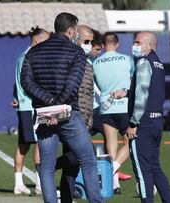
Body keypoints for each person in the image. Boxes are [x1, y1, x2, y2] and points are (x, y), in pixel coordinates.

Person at [20, 12, 104, 203]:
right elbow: (73, 85)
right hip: (68, 114)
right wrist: (57, 106)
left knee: (47, 167)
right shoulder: (76, 52)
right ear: (71, 30)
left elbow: (26, 82)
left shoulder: (33, 52)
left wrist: (48, 103)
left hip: (43, 114)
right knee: (88, 160)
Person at [126, 31, 170, 203]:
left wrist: (133, 123)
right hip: (156, 122)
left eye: (138, 42)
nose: (135, 46)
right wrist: (125, 93)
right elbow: (149, 90)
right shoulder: (158, 64)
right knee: (154, 168)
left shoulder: (143, 63)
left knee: (142, 170)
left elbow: (142, 95)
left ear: (150, 45)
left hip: (143, 123)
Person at [56, 24, 95, 203]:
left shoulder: (88, 64)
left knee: (73, 166)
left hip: (84, 120)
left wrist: (89, 120)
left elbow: (89, 95)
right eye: (86, 41)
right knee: (83, 157)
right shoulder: (71, 60)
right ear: (75, 39)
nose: (89, 45)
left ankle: (66, 198)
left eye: (91, 42)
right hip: (73, 119)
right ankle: (50, 166)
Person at [93, 32, 134, 194]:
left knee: (111, 144)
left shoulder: (96, 63)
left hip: (105, 106)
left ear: (103, 45)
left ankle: (114, 182)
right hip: (124, 106)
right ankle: (112, 171)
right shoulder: (126, 59)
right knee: (130, 144)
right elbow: (132, 80)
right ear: (117, 44)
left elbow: (97, 84)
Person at [12, 26, 49, 195]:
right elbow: (30, 83)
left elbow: (18, 82)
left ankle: (19, 184)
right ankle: (40, 184)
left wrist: (15, 96)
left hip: (25, 107)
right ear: (36, 41)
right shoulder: (29, 57)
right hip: (31, 107)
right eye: (45, 41)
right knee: (39, 144)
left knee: (24, 145)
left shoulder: (24, 56)